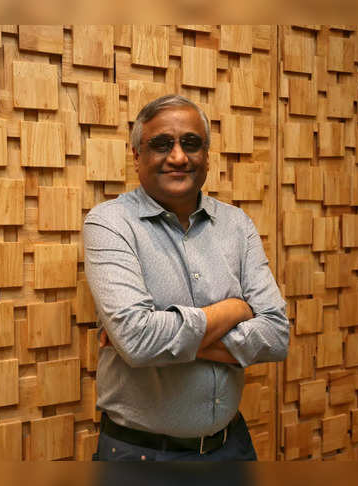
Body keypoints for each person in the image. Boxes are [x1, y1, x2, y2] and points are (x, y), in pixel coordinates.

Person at [83, 94, 289, 462]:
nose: (178, 157)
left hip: (231, 449)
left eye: (191, 144)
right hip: (140, 457)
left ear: (206, 155)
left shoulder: (236, 226)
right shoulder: (110, 223)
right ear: (136, 156)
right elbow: (139, 340)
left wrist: (154, 343)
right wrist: (234, 309)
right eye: (162, 144)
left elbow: (275, 336)